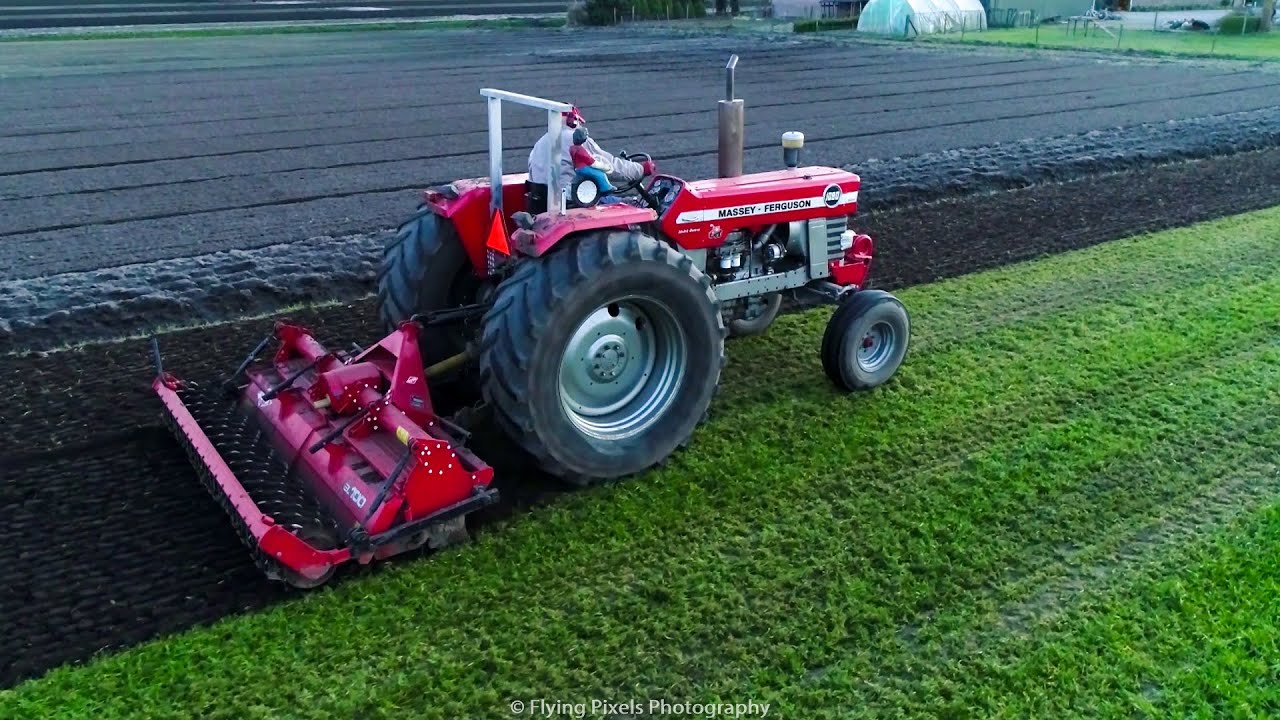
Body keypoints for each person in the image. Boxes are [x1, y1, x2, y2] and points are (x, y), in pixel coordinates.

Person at [526, 106, 654, 211]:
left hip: (544, 203)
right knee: (630, 207)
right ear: (573, 120)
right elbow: (610, 166)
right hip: (573, 202)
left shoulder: (540, 143)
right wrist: (641, 169)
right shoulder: (572, 138)